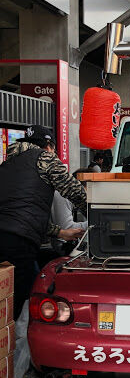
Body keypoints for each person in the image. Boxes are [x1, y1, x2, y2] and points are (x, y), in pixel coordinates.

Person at [0, 125, 87, 320]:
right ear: (49, 146)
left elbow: (20, 213)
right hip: (19, 243)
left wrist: (60, 233)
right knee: (24, 299)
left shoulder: (8, 164)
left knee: (4, 295)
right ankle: (12, 345)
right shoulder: (45, 158)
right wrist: (98, 214)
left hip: (7, 236)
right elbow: (76, 192)